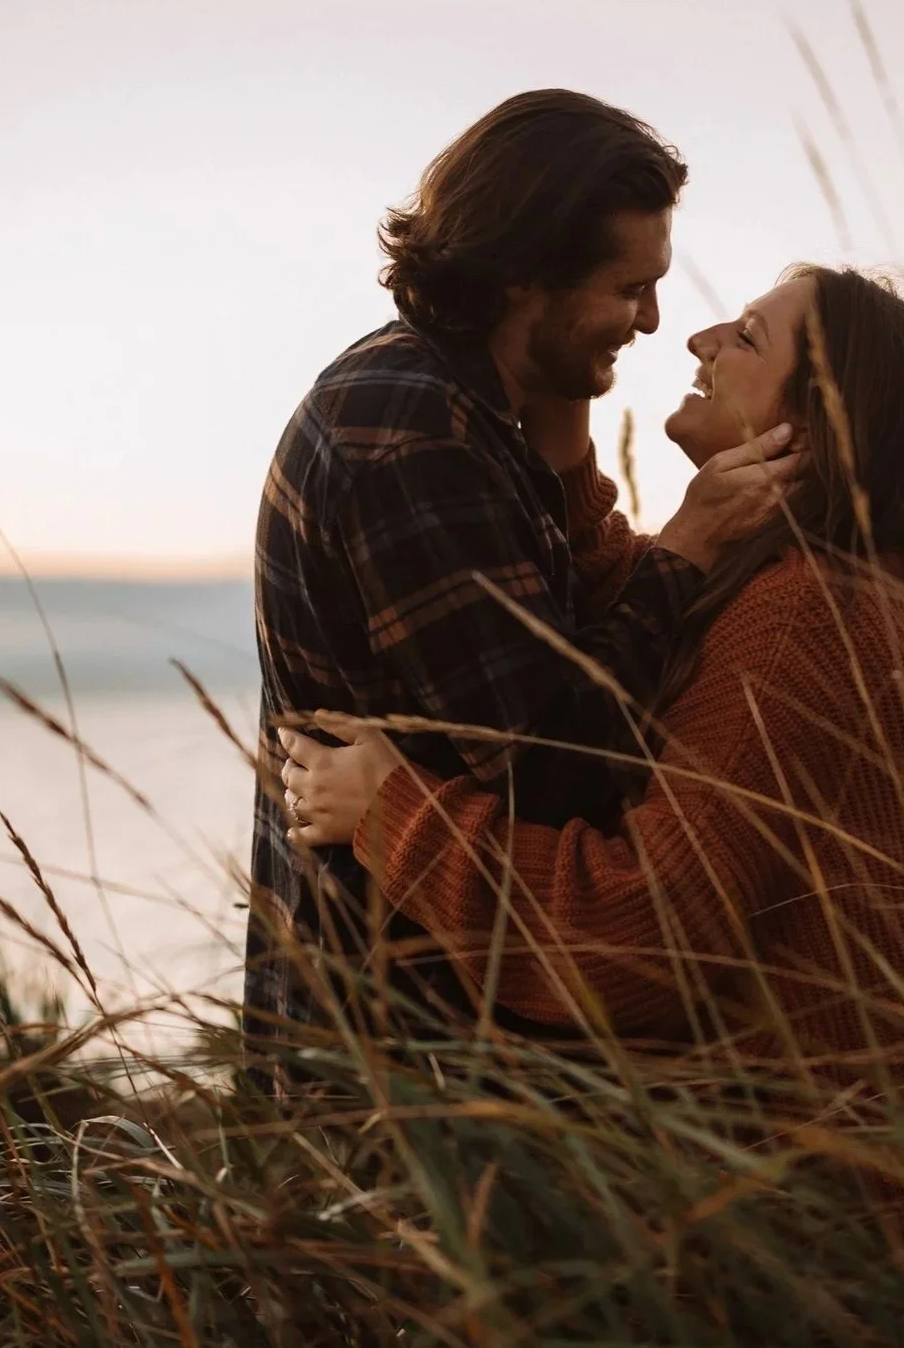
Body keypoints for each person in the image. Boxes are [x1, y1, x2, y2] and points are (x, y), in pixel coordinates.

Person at [279, 265, 904, 1117]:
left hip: (827, 1199)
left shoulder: (807, 618)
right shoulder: (808, 587)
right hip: (839, 1167)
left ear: (806, 426)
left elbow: (636, 941)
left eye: (745, 336)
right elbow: (631, 595)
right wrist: (566, 390)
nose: (699, 339)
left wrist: (392, 808)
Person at [246, 90, 800, 1053]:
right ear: (520, 278)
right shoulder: (409, 434)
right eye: (629, 289)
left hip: (440, 1034)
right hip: (405, 1055)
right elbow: (552, 772)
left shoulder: (475, 413)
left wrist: (572, 453)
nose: (656, 320)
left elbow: (565, 648)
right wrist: (688, 548)